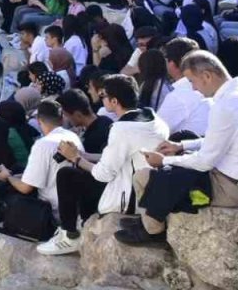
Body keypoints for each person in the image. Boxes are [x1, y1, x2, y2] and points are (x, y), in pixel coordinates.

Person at [117, 52, 238, 246]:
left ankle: (153, 231)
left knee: (145, 177)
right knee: (183, 141)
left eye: (193, 81)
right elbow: (217, 140)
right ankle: (148, 218)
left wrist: (164, 160)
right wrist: (180, 146)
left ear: (207, 76)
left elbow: (204, 163)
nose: (193, 88)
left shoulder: (227, 105)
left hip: (231, 189)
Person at [39, 75, 169, 255]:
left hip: (128, 196)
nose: (101, 99)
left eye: (103, 95)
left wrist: (76, 159)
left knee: (67, 175)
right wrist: (84, 155)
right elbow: (121, 156)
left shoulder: (122, 129)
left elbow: (102, 174)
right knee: (79, 170)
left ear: (114, 101)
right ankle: (81, 225)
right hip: (145, 187)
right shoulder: (153, 118)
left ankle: (69, 235)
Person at [0, 99, 80, 236]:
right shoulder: (72, 136)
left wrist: (7, 176)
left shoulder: (43, 144)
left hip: (50, 212)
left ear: (39, 120)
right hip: (71, 205)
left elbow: (25, 189)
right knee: (17, 171)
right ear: (61, 118)